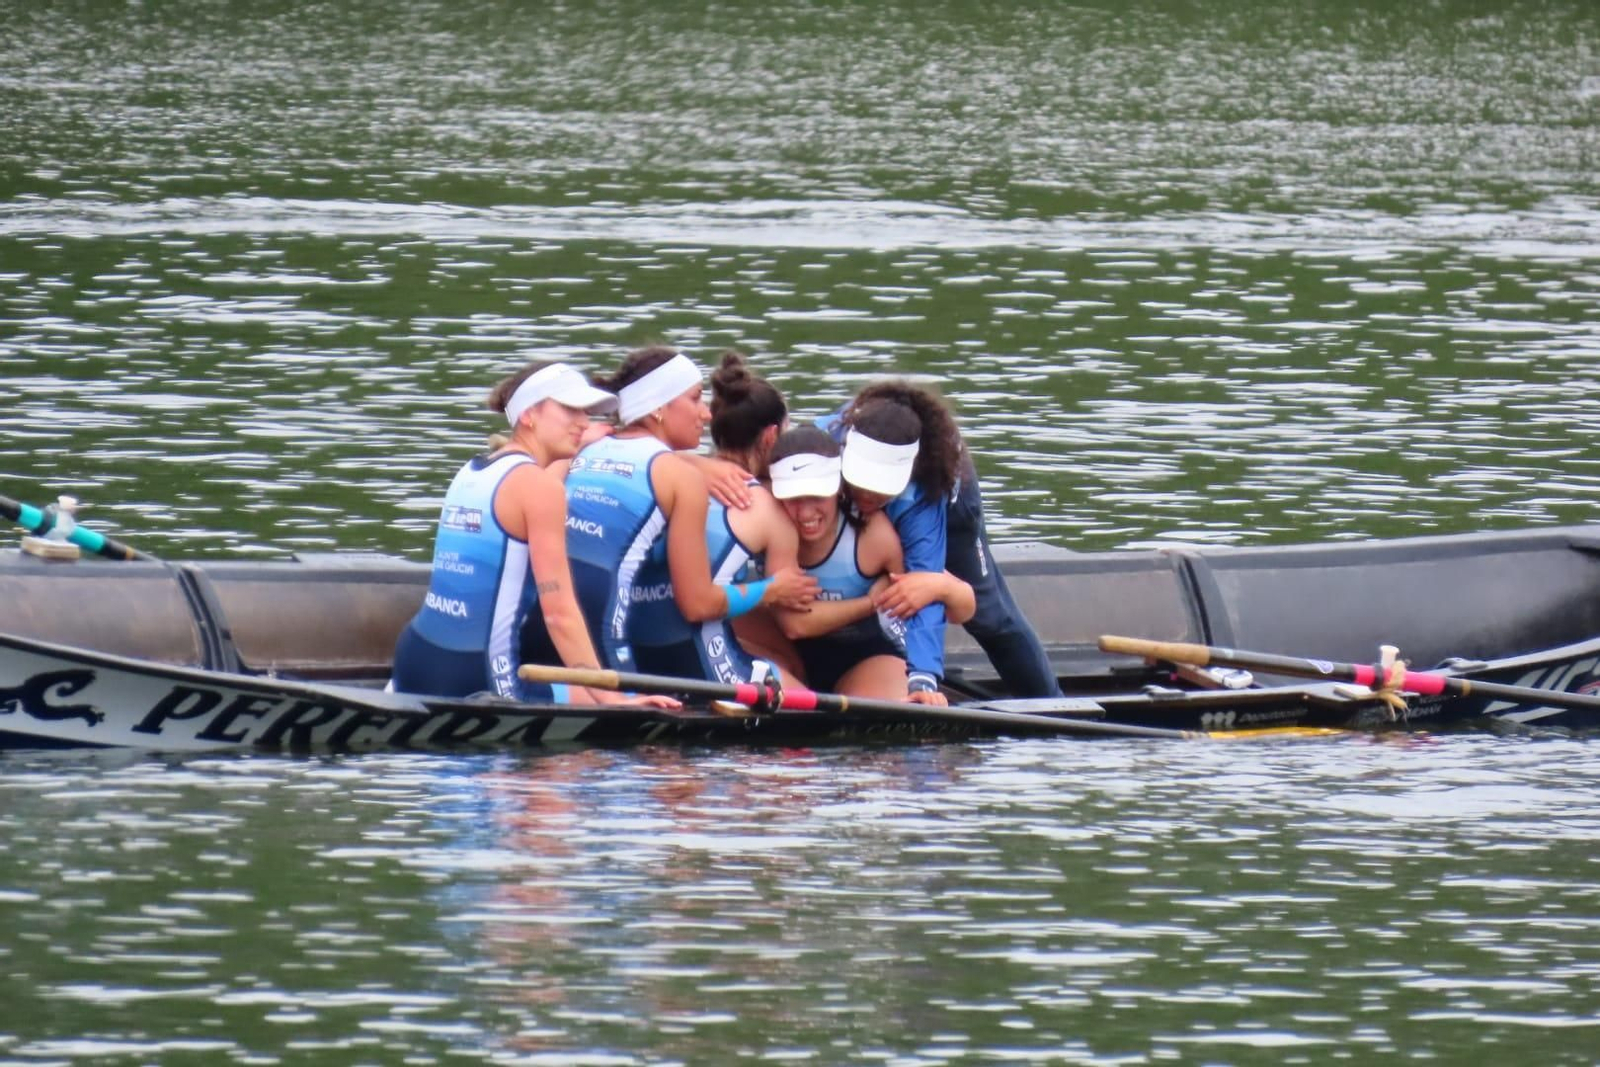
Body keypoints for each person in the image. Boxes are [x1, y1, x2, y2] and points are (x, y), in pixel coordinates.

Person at [390, 361, 676, 708]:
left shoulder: (475, 470)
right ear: (529, 414)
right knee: (636, 706)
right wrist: (608, 698)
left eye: (585, 412)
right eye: (570, 410)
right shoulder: (540, 488)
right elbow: (559, 614)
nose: (583, 422)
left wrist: (572, 450)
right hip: (477, 675)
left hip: (414, 657)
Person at [523, 345, 815, 682]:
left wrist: (695, 462)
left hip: (544, 625)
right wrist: (772, 589)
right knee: (801, 695)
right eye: (695, 399)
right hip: (614, 647)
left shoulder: (582, 446)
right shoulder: (683, 479)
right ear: (658, 407)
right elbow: (698, 604)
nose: (706, 414)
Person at [818, 382, 1063, 702]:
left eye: (880, 487)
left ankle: (1055, 704)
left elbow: (924, 584)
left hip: (949, 498)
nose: (867, 495)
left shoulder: (924, 493)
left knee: (989, 616)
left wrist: (923, 680)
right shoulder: (821, 443)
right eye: (861, 482)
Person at [626, 350, 816, 684]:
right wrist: (871, 601)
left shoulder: (666, 472)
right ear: (771, 436)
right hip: (701, 661)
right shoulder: (769, 511)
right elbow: (794, 619)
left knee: (784, 659)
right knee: (801, 683)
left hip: (635, 649)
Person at [768, 426, 975, 700]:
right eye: (793, 498)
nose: (805, 513)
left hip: (870, 658)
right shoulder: (766, 520)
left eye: (817, 495)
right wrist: (871, 602)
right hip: (791, 657)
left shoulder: (874, 535)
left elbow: (962, 608)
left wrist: (944, 588)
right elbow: (795, 625)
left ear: (838, 488)